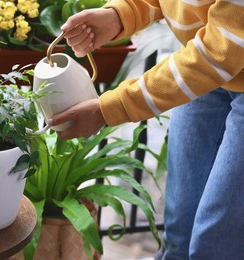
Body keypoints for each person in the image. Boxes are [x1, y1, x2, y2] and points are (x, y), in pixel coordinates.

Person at [48, 1, 244, 259]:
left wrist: (110, 108)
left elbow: (221, 51)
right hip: (207, 59)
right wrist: (119, 15)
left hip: (216, 55)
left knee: (214, 243)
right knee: (179, 232)